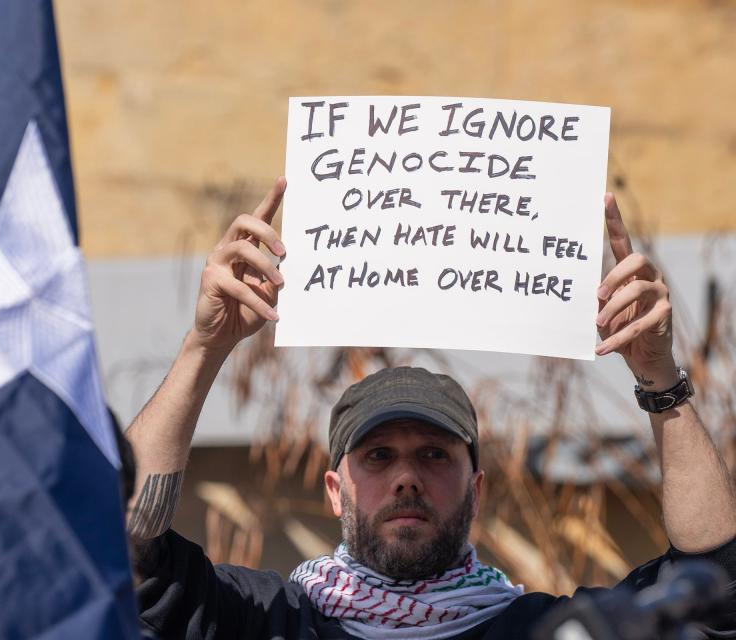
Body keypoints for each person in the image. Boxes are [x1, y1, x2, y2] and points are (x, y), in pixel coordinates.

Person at [124, 177, 736, 639]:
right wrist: (204, 349)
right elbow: (124, 542)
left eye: (435, 454)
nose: (407, 476)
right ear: (336, 490)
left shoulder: (549, 631)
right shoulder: (265, 621)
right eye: (380, 454)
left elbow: (716, 589)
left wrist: (660, 378)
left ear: (477, 489)